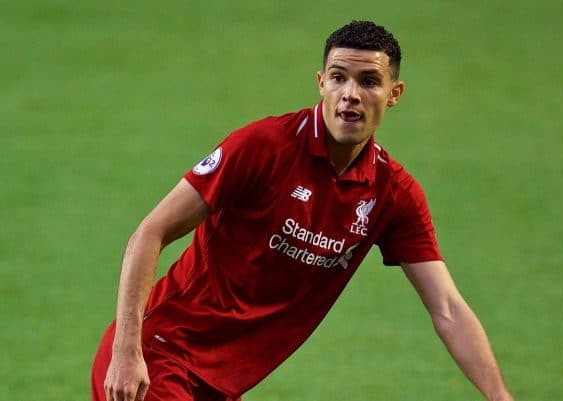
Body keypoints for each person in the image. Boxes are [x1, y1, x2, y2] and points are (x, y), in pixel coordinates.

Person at [92, 20, 514, 401]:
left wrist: (499, 396)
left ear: (394, 93)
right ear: (321, 84)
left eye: (369, 81)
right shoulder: (262, 147)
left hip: (220, 384)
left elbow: (447, 307)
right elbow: (149, 233)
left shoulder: (393, 193)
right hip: (157, 357)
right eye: (338, 78)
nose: (350, 94)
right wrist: (127, 351)